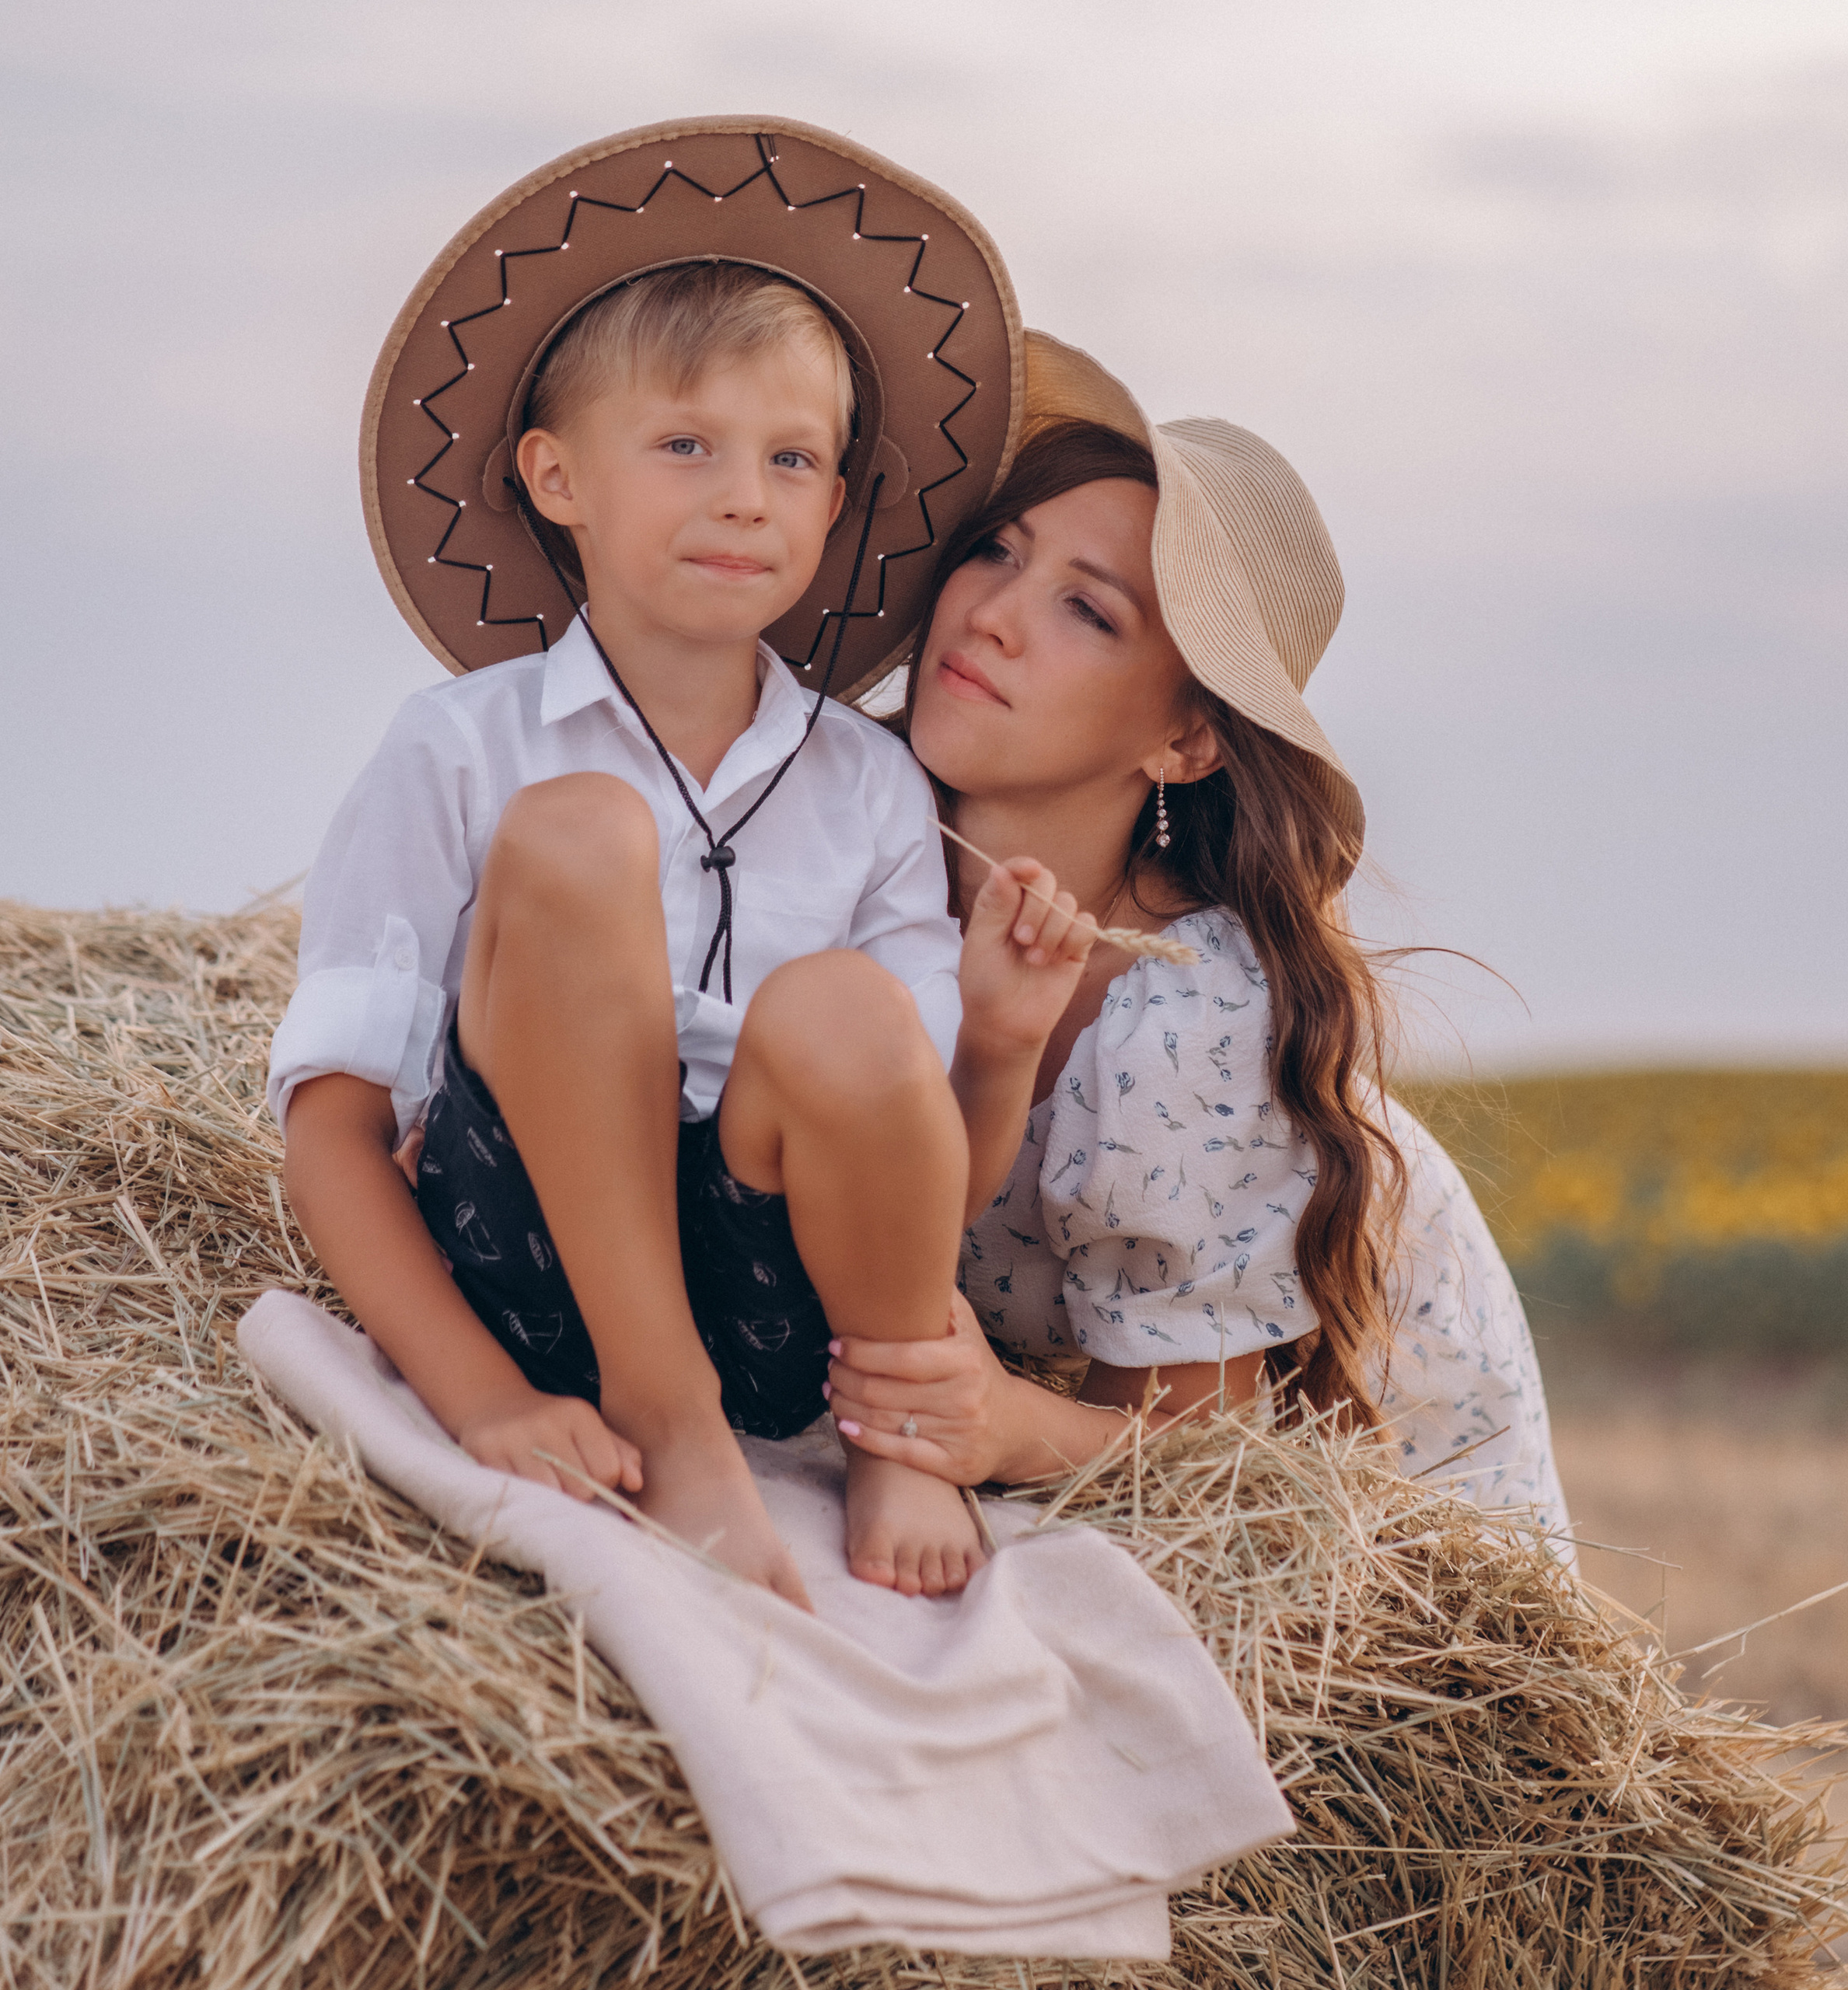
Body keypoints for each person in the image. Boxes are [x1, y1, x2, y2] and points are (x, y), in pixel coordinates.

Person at [269, 120, 1103, 1610]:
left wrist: (997, 1047)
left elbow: (924, 1167)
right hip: (523, 1263)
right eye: (685, 446)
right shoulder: (462, 746)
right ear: (555, 477)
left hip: (772, 1305)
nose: (745, 497)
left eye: (793, 459)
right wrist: (477, 1399)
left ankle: (888, 1429)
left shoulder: (866, 786)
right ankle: (667, 1422)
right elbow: (333, 1132)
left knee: (846, 1007)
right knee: (586, 827)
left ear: (836, 506)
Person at [824, 335, 1570, 1538]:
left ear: (1184, 745)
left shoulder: (1187, 1027)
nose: (996, 615)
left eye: (1087, 608)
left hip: (1377, 1559)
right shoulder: (839, 851)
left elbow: (1211, 1477)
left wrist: (1006, 1426)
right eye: (997, 550)